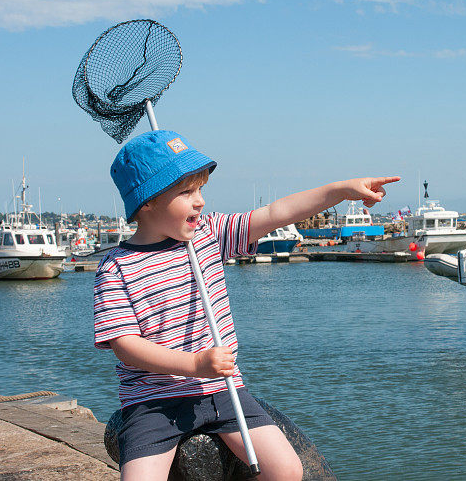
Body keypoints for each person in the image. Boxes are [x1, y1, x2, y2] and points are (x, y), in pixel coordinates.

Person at [93, 130, 399, 480]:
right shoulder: (116, 267)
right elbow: (126, 346)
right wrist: (193, 364)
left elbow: (277, 212)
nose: (200, 202)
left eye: (201, 190)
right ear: (146, 202)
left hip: (222, 391)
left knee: (286, 469)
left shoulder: (208, 235)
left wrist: (341, 190)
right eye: (186, 192)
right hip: (153, 403)